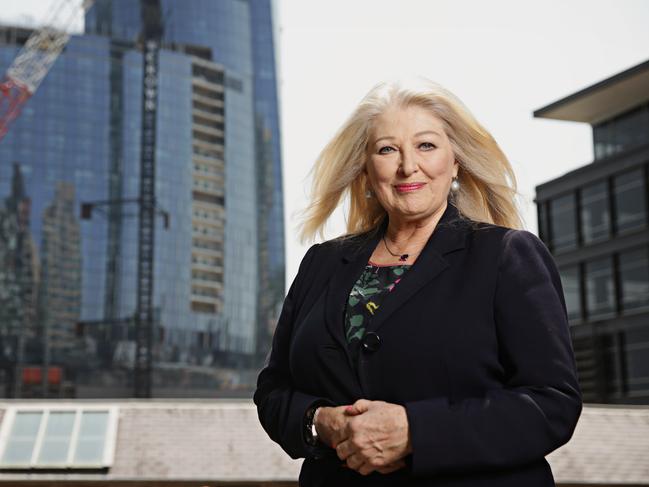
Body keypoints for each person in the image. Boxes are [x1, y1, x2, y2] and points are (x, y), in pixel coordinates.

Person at [253, 77, 583, 486]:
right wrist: (322, 423)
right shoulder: (321, 263)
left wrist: (415, 432)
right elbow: (273, 390)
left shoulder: (508, 256)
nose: (408, 166)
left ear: (456, 161)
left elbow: (552, 404)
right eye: (387, 149)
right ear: (366, 168)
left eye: (426, 145)